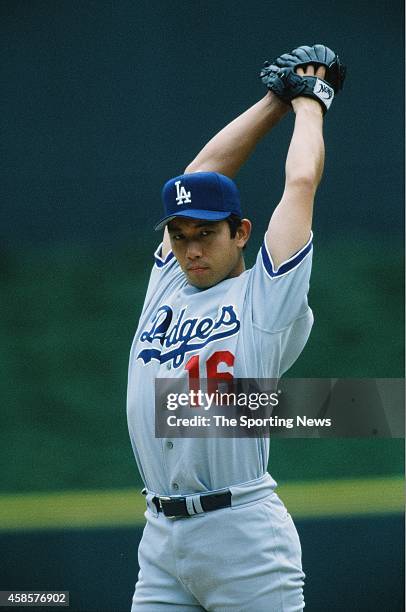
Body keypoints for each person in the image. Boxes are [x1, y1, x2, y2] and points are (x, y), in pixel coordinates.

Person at [127, 44, 345, 611]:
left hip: (241, 534)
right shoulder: (170, 281)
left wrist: (310, 101)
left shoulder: (264, 299)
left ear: (241, 232)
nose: (190, 248)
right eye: (179, 234)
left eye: (206, 234)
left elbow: (299, 185)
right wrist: (273, 98)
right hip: (160, 538)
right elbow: (197, 176)